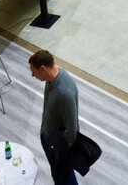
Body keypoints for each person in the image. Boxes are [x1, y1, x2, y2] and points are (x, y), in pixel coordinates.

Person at [30, 49, 81, 184]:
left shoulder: (65, 92)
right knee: (59, 177)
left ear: (42, 68)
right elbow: (48, 105)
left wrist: (61, 152)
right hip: (49, 140)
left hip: (59, 148)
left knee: (65, 178)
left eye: (34, 71)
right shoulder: (50, 79)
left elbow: (72, 131)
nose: (32, 75)